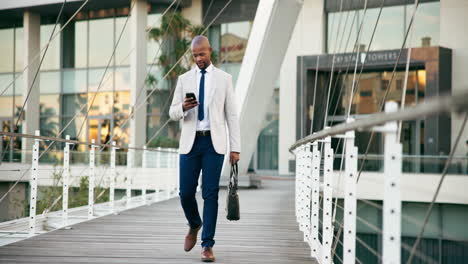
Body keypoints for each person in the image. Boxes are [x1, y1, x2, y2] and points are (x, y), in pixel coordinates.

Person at [169, 35, 241, 262]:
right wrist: (182, 107)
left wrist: (235, 148)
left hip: (214, 144)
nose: (199, 59)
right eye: (195, 55)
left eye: (202, 54)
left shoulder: (224, 79)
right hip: (190, 143)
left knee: (210, 194)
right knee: (186, 193)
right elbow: (172, 113)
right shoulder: (184, 79)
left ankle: (207, 246)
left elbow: (231, 115)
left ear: (210, 51)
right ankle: (194, 224)